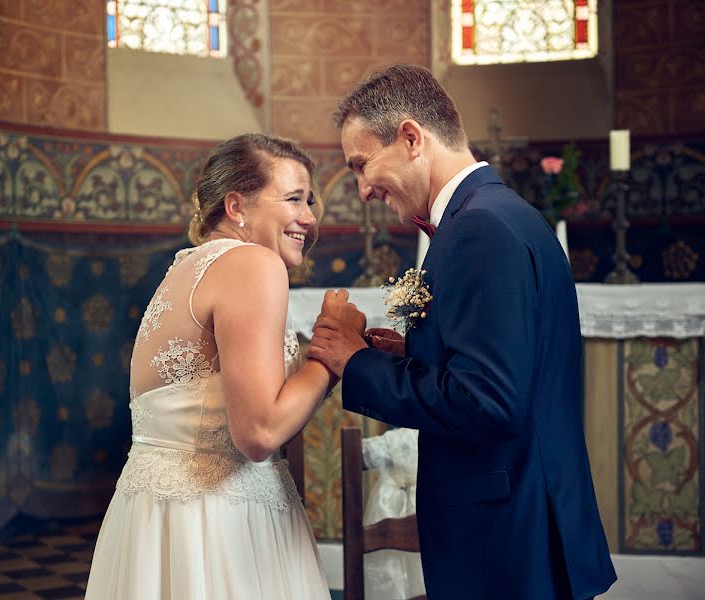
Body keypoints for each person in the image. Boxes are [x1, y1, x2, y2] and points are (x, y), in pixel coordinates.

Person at [307, 64, 617, 600]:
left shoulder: (479, 229)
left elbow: (489, 401)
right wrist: (416, 351)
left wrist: (355, 363)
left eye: (362, 164)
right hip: (522, 521)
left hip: (506, 539)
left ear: (410, 138)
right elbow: (506, 364)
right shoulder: (502, 213)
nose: (361, 190)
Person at [85, 133, 340, 599]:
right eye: (293, 199)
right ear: (237, 206)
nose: (310, 218)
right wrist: (333, 353)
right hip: (218, 525)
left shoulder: (189, 265)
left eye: (310, 201)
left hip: (157, 518)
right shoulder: (253, 264)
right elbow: (259, 433)